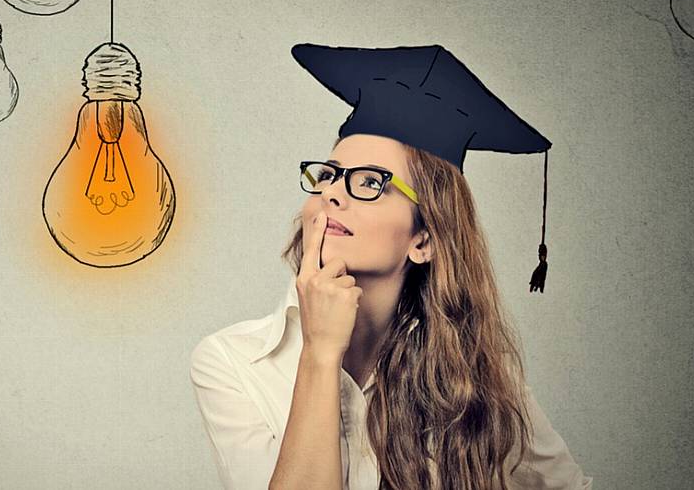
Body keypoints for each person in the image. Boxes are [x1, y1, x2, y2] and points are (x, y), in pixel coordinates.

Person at [190, 44, 592, 489]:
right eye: (328, 174)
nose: (332, 194)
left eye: (370, 182)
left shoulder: (479, 377)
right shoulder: (233, 362)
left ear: (424, 239)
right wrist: (321, 355)